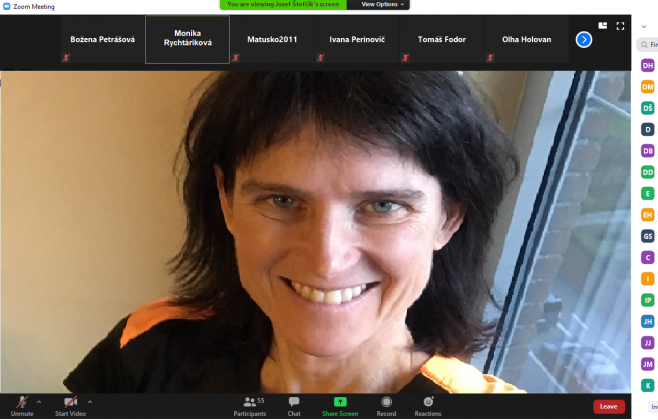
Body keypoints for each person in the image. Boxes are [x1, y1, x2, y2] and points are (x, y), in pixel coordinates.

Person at [64, 71, 522, 393]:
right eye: (282, 201)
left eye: (383, 206)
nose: (326, 261)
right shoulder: (148, 352)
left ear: (448, 218)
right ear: (226, 200)